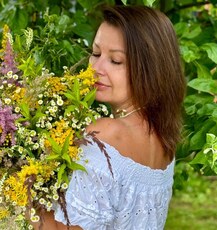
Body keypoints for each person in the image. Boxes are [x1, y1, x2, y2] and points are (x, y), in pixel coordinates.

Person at [31, 5, 185, 230]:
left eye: (116, 61)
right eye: (95, 53)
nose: (96, 68)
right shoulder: (164, 137)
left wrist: (22, 180)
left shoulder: (105, 135)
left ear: (150, 68)